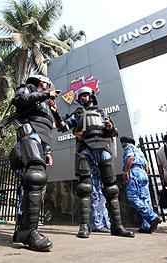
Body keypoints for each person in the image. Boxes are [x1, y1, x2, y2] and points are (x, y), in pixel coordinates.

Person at [51, 86, 134, 239]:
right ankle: (84, 225)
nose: (83, 98)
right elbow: (62, 127)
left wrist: (111, 128)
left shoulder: (102, 113)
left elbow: (114, 132)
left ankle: (117, 226)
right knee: (85, 187)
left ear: (92, 96)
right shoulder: (77, 114)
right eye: (80, 96)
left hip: (103, 150)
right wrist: (55, 112)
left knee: (111, 188)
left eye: (85, 95)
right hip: (85, 150)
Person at [10, 75, 61, 252]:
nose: (49, 87)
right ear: (41, 84)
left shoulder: (46, 103)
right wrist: (46, 95)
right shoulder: (27, 89)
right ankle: (29, 230)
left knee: (32, 183)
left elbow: (48, 126)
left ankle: (22, 229)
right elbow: (21, 102)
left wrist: (47, 151)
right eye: (47, 85)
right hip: (29, 133)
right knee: (34, 177)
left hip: (42, 139)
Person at [121, 136, 161, 233]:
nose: (122, 145)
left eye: (122, 143)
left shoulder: (129, 148)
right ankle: (146, 225)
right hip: (143, 173)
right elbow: (147, 166)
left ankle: (152, 217)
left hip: (134, 171)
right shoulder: (139, 151)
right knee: (144, 199)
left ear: (125, 143)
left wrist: (126, 171)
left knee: (132, 196)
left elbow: (130, 158)